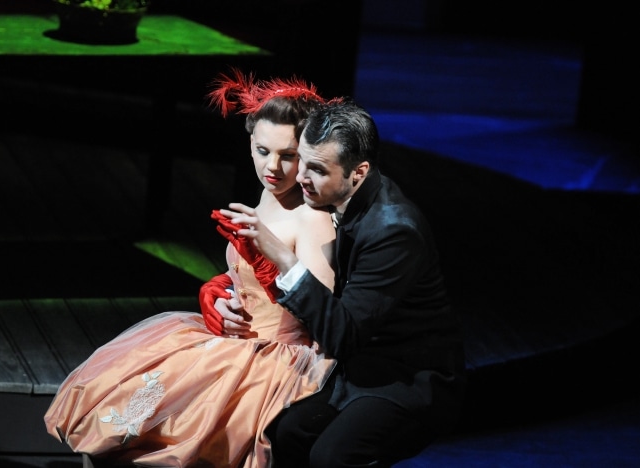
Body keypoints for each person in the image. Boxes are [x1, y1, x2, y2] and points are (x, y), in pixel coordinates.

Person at [43, 70, 338, 467]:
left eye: (289, 156)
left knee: (172, 438)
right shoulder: (268, 196)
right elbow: (245, 282)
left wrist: (267, 267)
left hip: (275, 358)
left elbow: (322, 314)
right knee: (117, 410)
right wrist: (223, 297)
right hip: (234, 343)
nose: (273, 167)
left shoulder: (312, 217)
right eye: (262, 150)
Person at [214, 99, 467, 467]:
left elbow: (343, 334)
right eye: (302, 161)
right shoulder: (328, 196)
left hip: (408, 376)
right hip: (353, 365)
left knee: (333, 456)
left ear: (358, 172)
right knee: (283, 432)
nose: (301, 177)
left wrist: (284, 258)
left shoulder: (394, 231)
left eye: (317, 169)